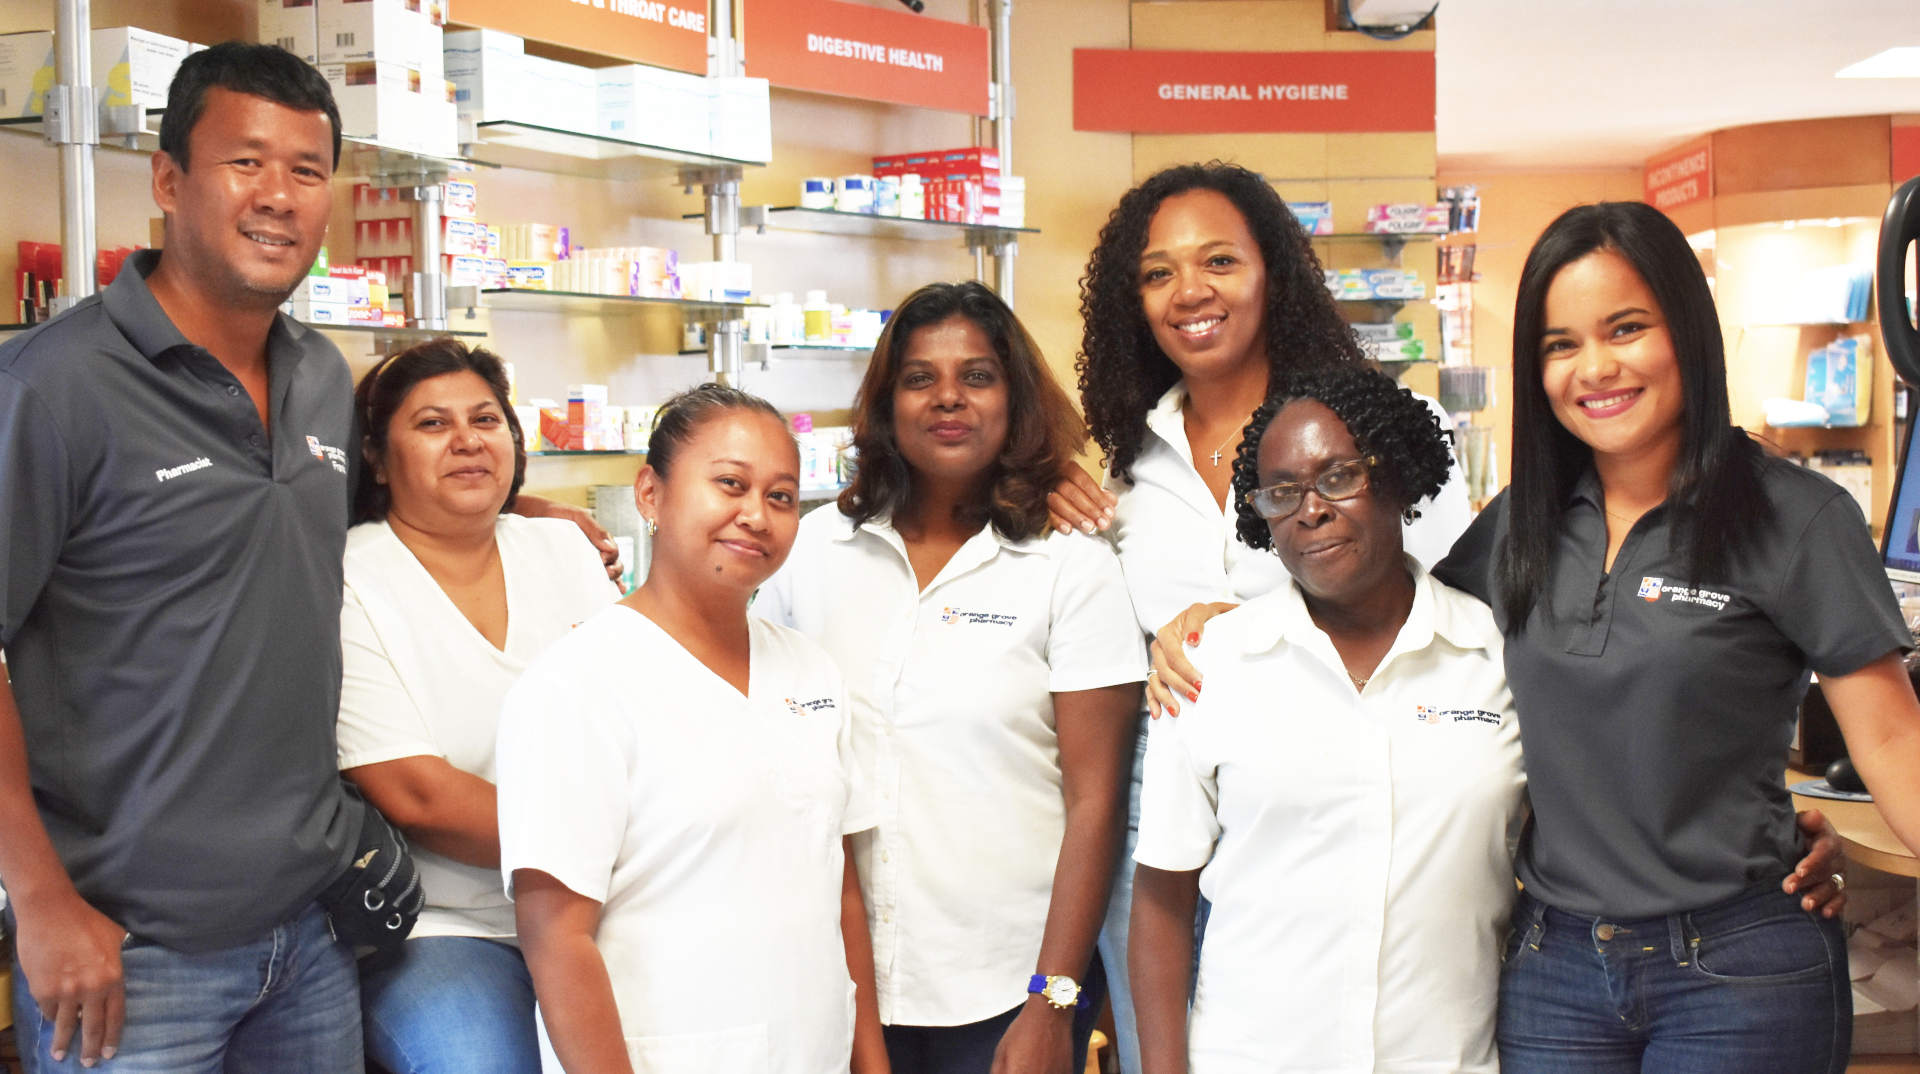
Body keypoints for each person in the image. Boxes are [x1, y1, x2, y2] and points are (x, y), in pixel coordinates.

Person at [1426, 202, 1920, 1072]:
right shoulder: (1520, 524)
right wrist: (1219, 625)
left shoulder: (1795, 517)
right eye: (1561, 343)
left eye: (1626, 328)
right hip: (1554, 969)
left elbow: (1892, 741)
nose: (1596, 367)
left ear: (1685, 331)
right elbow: (1395, 650)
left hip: (1741, 968)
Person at [1044, 160, 1472, 1070]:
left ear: (1272, 272)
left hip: (1335, 825)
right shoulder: (1124, 471)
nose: (1188, 292)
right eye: (1158, 273)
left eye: (1219, 262)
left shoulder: (1380, 437)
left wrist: (1240, 620)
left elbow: (1453, 620)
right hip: (1157, 840)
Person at [0, 43, 373, 1072]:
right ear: (168, 181)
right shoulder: (51, 386)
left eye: (307, 170)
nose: (280, 197)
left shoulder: (321, 376)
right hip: (127, 954)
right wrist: (39, 902)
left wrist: (533, 518)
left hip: (309, 934)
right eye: (245, 163)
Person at [756, 281, 1144, 1074]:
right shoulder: (815, 550)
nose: (948, 399)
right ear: (886, 401)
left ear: (1013, 399)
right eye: (919, 377)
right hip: (833, 979)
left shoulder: (1068, 565)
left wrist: (1053, 1003)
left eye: (976, 375)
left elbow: (1095, 803)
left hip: (1008, 994)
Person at [1130, 364, 1520, 1074]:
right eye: (1282, 493)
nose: (1310, 510)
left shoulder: (1495, 657)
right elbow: (1161, 898)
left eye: (1340, 477)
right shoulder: (1209, 664)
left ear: (1397, 478)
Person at [497, 384, 888, 1074]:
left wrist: (871, 1063)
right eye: (730, 485)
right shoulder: (576, 684)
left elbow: (839, 886)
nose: (756, 517)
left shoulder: (810, 672)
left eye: (781, 497)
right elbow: (557, 939)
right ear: (651, 493)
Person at [336, 338, 620, 1073]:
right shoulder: (349, 577)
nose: (466, 441)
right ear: (375, 456)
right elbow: (417, 794)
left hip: (610, 903)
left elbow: (640, 717)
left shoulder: (562, 550)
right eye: (432, 425)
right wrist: (613, 838)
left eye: (486, 420)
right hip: (447, 926)